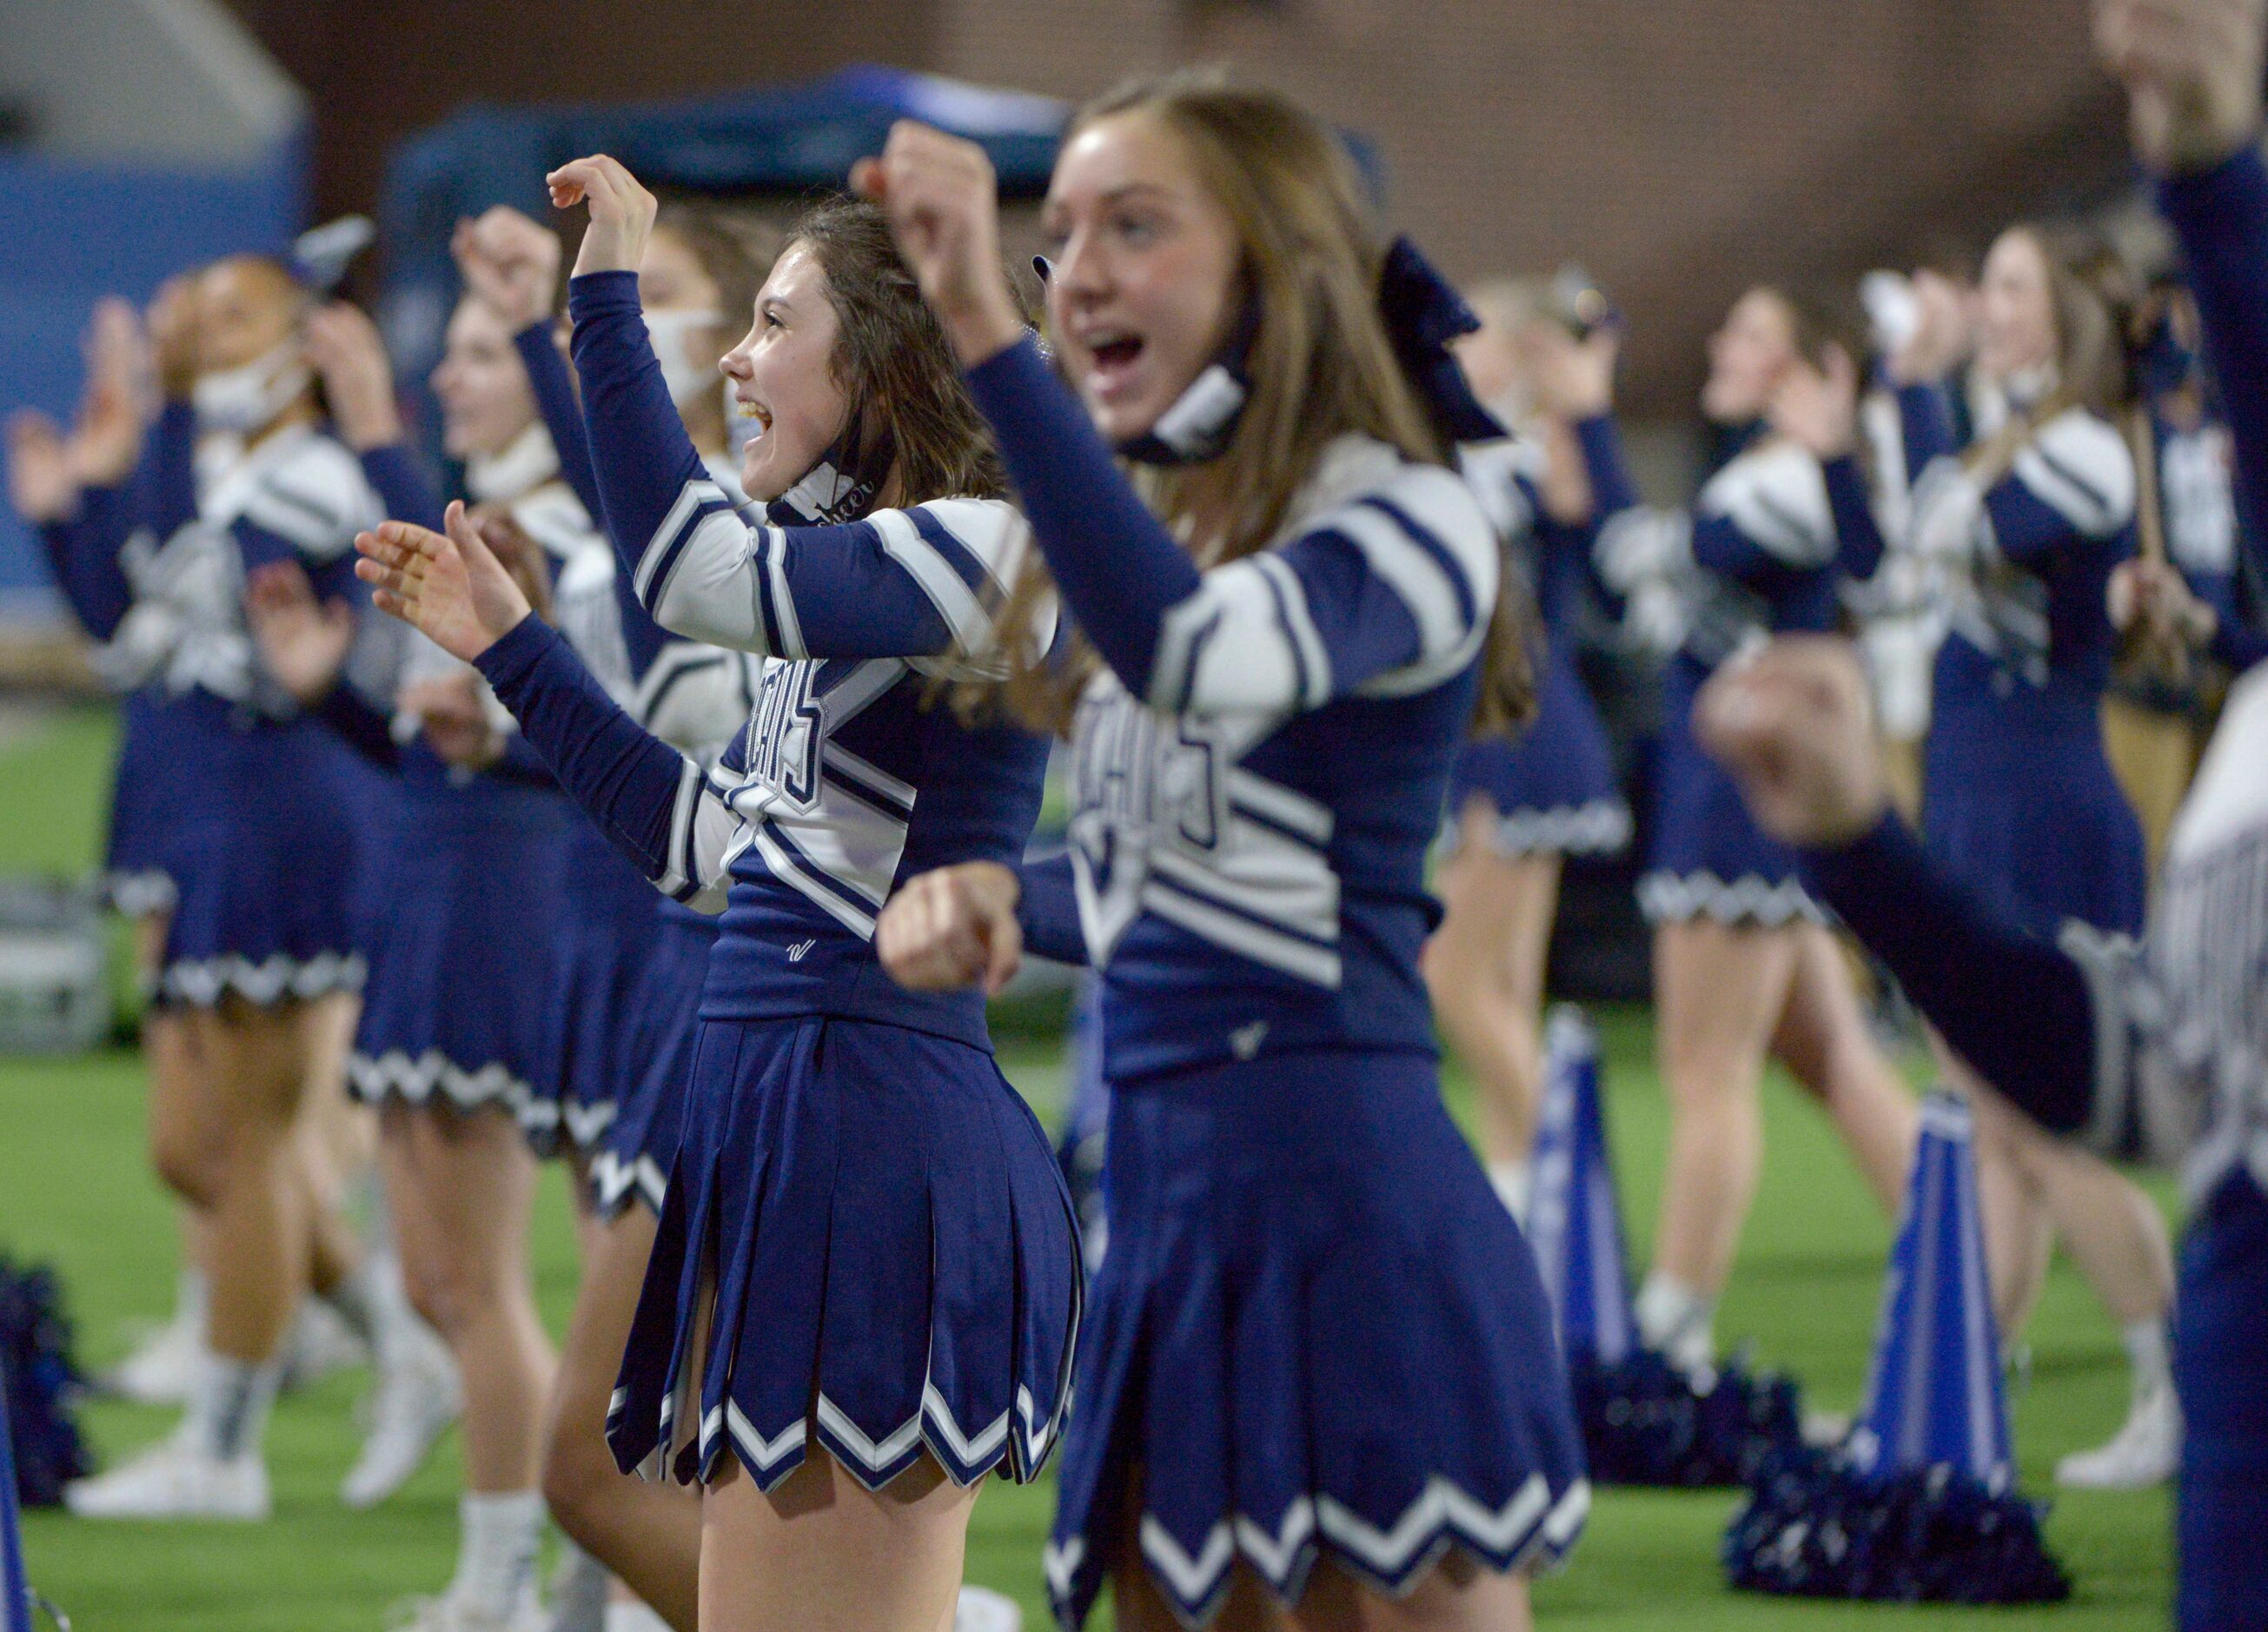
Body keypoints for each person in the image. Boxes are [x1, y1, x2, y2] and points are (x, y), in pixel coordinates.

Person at [859, 74, 1588, 1630]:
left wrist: (987, 332)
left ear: (1282, 261)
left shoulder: (1403, 514)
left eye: (1138, 226)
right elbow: (1176, 878)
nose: (1083, 273)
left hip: (1348, 1199)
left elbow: (1192, 652)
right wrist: (1010, 894)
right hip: (1171, 1204)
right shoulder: (1174, 527)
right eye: (1058, 238)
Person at [355, 169, 1080, 1632]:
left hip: (874, 1126)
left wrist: (604, 287)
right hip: (783, 1111)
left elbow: (687, 570)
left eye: (769, 322)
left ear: (880, 359)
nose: (737, 360)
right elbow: (703, 844)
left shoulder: (979, 548)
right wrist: (515, 650)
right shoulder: (850, 577)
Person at [50, 255, 432, 1523]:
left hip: (291, 814)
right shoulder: (237, 468)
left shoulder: (315, 478)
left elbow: (286, 632)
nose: (204, 344)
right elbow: (132, 608)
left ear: (308, 342)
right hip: (224, 812)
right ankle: (402, 1340)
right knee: (199, 1148)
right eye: (194, 323)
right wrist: (111, 460)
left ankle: (225, 1447)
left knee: (255, 1149)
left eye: (233, 323)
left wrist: (155, 422)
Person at [1882, 222, 2182, 1488]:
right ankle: (1968, 1396)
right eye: (1983, 284)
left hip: (2039, 805)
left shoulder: (2083, 453)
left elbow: (1941, 535)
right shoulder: (2017, 434)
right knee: (1986, 1118)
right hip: (1979, 792)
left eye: (2006, 287)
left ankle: (2179, 1382)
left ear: (2059, 309)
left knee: (2041, 1121)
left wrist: (1921, 378)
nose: (1984, 305)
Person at [1571, 287, 1919, 1378]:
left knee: (1705, 1075)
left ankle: (1672, 1328)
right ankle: (1966, 1276)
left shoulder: (1781, 483)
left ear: (1814, 374)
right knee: (1837, 1064)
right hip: (1750, 804)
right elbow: (1649, 606)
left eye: (1753, 334)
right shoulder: (1767, 476)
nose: (1722, 343)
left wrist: (1585, 414)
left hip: (1734, 817)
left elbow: (1637, 560)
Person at [1422, 282, 1630, 1221]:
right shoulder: (1483, 451)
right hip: (1507, 728)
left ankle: (1558, 1169)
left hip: (1519, 732)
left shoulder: (1517, 453)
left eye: (1472, 339)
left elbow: (1576, 508)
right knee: (1503, 978)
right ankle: (1526, 1187)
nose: (1452, 356)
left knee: (1457, 975)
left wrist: (1577, 370)